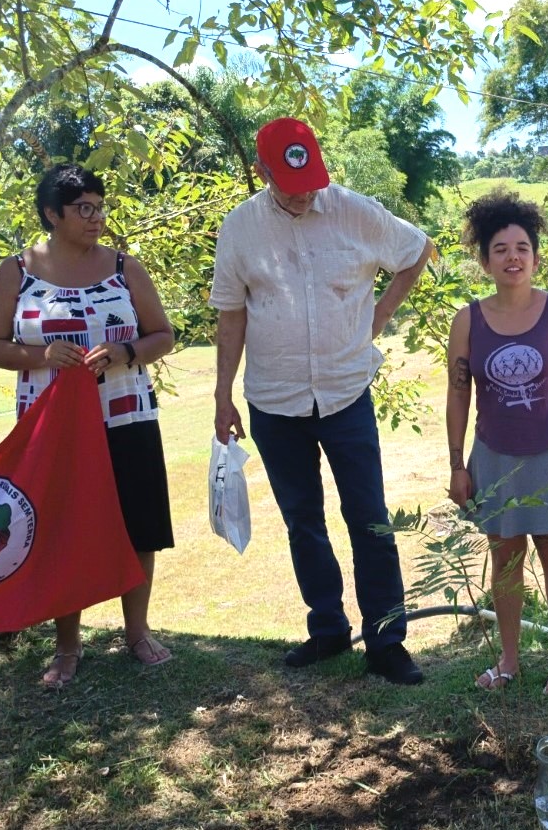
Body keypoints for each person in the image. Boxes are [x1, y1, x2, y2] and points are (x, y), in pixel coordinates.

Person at [211, 117, 433, 685]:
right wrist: (221, 393)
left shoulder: (354, 210)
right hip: (273, 400)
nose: (303, 191)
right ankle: (328, 630)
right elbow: (231, 314)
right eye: (289, 182)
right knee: (303, 522)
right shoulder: (239, 229)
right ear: (261, 172)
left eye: (310, 177)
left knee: (370, 520)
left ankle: (387, 643)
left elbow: (416, 250)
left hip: (345, 392)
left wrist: (381, 315)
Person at [0, 164, 176, 686]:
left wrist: (123, 351)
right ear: (51, 214)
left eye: (100, 206)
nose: (96, 218)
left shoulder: (124, 267)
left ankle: (138, 632)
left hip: (126, 415)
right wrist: (41, 354)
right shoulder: (16, 271)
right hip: (53, 428)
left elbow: (163, 335)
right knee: (63, 527)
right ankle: (67, 647)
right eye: (83, 208)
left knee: (139, 524)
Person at [445, 191, 548, 697]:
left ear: (535, 256)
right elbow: (458, 392)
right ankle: (509, 661)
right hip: (494, 454)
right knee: (505, 559)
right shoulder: (468, 320)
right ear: (485, 259)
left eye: (522, 247)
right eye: (500, 249)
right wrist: (457, 465)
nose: (513, 257)